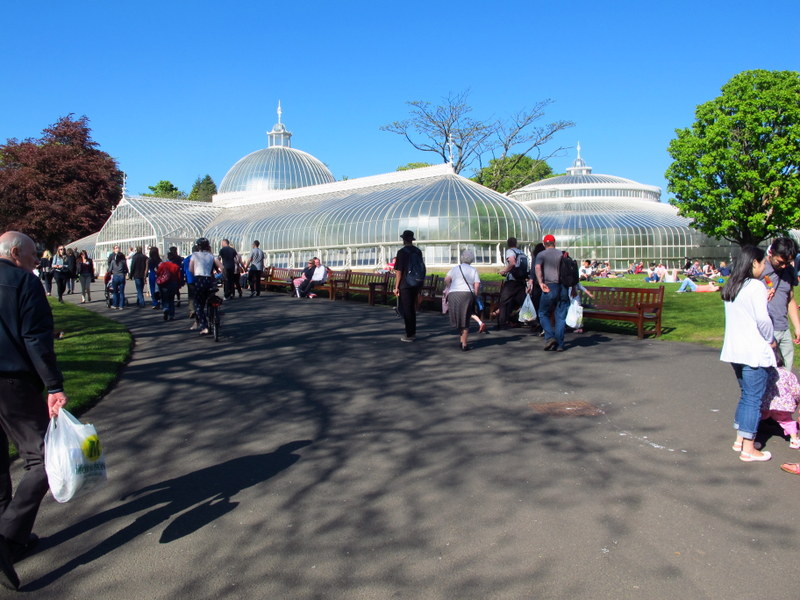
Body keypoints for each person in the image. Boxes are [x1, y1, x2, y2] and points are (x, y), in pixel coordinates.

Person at [0, 231, 68, 590]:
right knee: (44, 459)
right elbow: (35, 339)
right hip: (11, 382)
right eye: (30, 255)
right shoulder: (24, 283)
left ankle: (13, 538)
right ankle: (7, 535)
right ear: (14, 253)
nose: (36, 260)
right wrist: (54, 385)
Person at [722, 245, 775, 462]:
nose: (764, 267)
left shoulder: (733, 285)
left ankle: (740, 440)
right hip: (753, 350)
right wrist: (770, 339)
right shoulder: (755, 285)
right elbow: (762, 320)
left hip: (735, 349)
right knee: (754, 398)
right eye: (763, 263)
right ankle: (749, 447)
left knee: (746, 395)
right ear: (754, 262)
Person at [760, 237, 800, 369]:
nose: (783, 266)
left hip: (783, 328)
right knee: (769, 373)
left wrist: (797, 327)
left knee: (786, 373)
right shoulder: (759, 269)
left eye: (788, 263)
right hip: (766, 330)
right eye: (780, 262)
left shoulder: (788, 271)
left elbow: (790, 299)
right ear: (771, 252)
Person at [443, 249, 486, 351]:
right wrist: (475, 295)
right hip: (467, 294)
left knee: (459, 318)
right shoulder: (473, 270)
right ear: (471, 259)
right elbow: (477, 284)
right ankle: (464, 344)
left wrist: (451, 286)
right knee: (465, 318)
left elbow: (446, 280)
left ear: (461, 258)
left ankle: (461, 341)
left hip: (454, 294)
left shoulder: (454, 268)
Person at [535, 234, 570, 352]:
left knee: (542, 313)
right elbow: (569, 271)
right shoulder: (562, 254)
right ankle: (560, 344)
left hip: (549, 286)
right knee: (560, 316)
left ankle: (550, 337)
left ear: (544, 244)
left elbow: (538, 268)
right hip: (564, 288)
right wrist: (574, 288)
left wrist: (540, 283)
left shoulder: (541, 254)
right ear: (554, 243)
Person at [759, 362, 800, 449]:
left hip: (766, 403)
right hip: (782, 405)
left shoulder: (763, 373)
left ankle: (755, 440)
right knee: (787, 421)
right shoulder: (788, 374)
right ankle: (794, 440)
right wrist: (795, 401)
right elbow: (796, 391)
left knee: (758, 419)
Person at [393, 230, 425, 342]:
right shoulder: (418, 251)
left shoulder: (401, 252)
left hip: (405, 284)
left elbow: (399, 272)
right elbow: (421, 268)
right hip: (416, 283)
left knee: (407, 309)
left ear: (403, 239)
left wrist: (396, 287)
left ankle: (410, 334)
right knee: (412, 308)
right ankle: (412, 332)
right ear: (412, 239)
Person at [189, 238, 222, 335]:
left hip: (200, 280)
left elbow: (191, 269)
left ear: (198, 246)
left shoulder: (195, 255)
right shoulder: (212, 256)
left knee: (198, 305)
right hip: (210, 281)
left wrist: (195, 273)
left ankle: (204, 326)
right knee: (211, 298)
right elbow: (221, 267)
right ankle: (214, 315)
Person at [495, 237, 528, 329]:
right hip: (521, 281)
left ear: (508, 244)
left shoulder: (510, 251)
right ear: (516, 243)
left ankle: (502, 323)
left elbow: (512, 263)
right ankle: (533, 321)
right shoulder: (522, 253)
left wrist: (504, 271)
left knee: (503, 301)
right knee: (524, 302)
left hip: (512, 281)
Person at [156, 251, 181, 321]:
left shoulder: (163, 265)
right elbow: (178, 277)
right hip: (173, 283)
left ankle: (165, 309)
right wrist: (178, 285)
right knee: (171, 300)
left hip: (164, 283)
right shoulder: (176, 266)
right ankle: (171, 315)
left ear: (167, 257)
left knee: (164, 298)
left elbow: (158, 273)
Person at [182, 245, 198, 319]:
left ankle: (192, 310)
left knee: (191, 295)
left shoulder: (187, 259)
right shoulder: (200, 258)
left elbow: (184, 270)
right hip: (199, 278)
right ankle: (199, 308)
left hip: (190, 278)